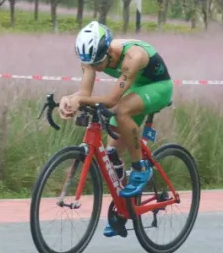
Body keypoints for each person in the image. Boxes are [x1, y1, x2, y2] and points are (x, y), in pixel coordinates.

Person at [59, 21, 174, 236]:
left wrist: (80, 101)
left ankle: (141, 167)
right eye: (89, 64)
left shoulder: (133, 57)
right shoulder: (90, 57)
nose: (93, 68)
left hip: (158, 87)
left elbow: (111, 100)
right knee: (111, 155)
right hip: (135, 88)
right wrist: (69, 100)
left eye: (98, 63)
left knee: (121, 110)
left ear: (109, 51)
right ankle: (124, 208)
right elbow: (85, 91)